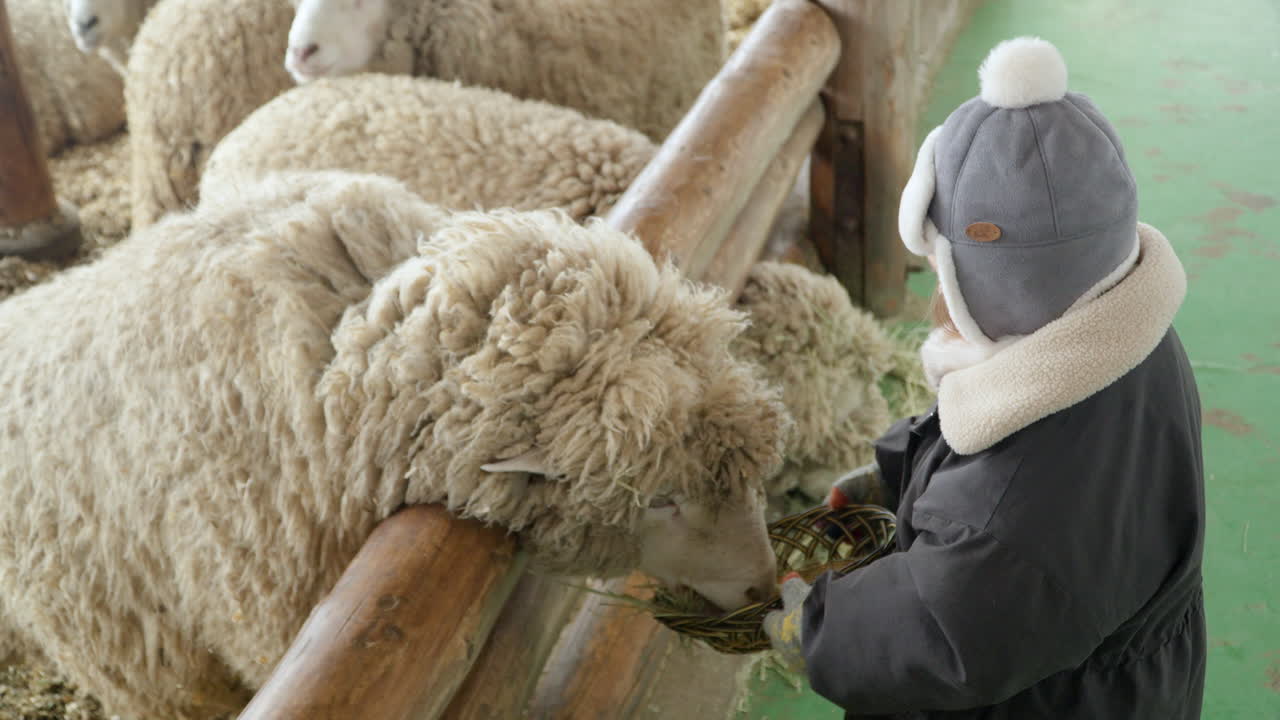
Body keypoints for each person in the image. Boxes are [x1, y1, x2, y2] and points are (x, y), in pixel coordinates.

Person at [762, 36, 1206, 719]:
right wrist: (898, 477)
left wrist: (816, 629)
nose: (936, 291)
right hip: (1118, 678)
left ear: (999, 285)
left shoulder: (1012, 522)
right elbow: (1004, 461)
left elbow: (941, 630)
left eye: (944, 267)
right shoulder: (1128, 336)